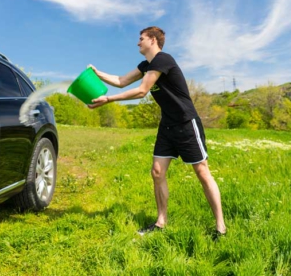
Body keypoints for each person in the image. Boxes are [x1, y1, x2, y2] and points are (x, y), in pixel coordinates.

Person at [88, 26, 226, 238]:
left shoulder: (163, 59)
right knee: (157, 172)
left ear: (153, 40)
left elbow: (142, 90)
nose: (138, 42)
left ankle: (220, 227)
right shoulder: (146, 65)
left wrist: (109, 99)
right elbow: (121, 81)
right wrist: (97, 74)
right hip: (167, 126)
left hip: (186, 123)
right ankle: (161, 222)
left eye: (141, 38)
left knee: (202, 172)